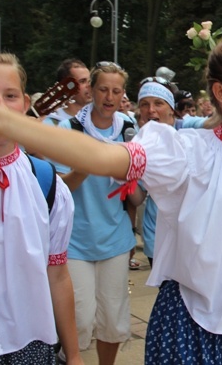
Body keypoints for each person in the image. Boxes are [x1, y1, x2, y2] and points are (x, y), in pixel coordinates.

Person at [0, 32, 222, 364]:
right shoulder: (186, 152)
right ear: (221, 92)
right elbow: (104, 157)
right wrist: (3, 122)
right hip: (190, 332)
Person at [0, 52, 82, 364]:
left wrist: (75, 355)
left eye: (9, 96)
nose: (0, 106)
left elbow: (58, 274)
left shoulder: (45, 183)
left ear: (24, 104)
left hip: (29, 347)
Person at [52, 62, 137, 364]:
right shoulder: (70, 129)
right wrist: (88, 162)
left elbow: (136, 194)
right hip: (75, 240)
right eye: (103, 89)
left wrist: (136, 181)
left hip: (114, 237)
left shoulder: (128, 129)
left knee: (113, 320)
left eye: (116, 91)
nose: (109, 97)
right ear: (91, 90)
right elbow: (59, 188)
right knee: (81, 318)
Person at [135, 80, 176, 268]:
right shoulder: (138, 145)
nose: (151, 110)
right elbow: (137, 199)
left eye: (158, 103)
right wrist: (128, 175)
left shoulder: (190, 134)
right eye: (145, 104)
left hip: (188, 237)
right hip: (155, 235)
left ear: (171, 110)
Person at [42, 59, 92, 126]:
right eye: (82, 81)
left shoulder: (102, 120)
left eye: (90, 81)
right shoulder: (50, 123)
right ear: (67, 87)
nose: (89, 86)